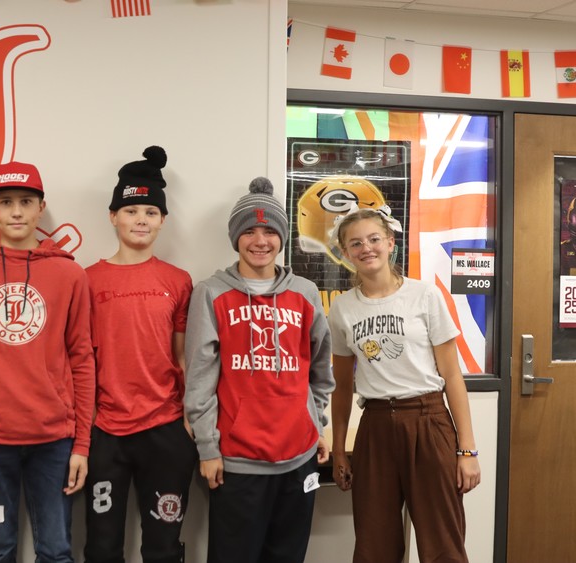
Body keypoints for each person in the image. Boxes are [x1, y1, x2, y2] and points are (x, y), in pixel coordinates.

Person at [0, 161, 95, 563]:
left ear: (40, 208)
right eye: (6, 202)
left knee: (56, 550)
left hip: (55, 441)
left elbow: (82, 358)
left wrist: (81, 444)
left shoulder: (69, 275)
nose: (16, 211)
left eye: (26, 202)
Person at [185, 177, 334, 563]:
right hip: (237, 461)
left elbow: (320, 368)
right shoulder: (212, 292)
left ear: (282, 237)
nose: (260, 240)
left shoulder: (304, 292)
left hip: (298, 459)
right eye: (249, 231)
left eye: (270, 231)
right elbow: (199, 377)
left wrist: (316, 424)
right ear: (236, 237)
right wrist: (207, 447)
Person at [327, 206, 480, 563]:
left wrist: (467, 450)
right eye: (355, 243)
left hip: (428, 420)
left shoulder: (424, 296)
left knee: (441, 539)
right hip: (376, 425)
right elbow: (342, 385)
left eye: (374, 239)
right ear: (346, 252)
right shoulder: (342, 309)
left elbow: (452, 375)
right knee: (373, 542)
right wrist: (338, 449)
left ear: (391, 242)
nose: (366, 248)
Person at [83, 146, 197, 563]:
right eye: (131, 211)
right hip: (106, 430)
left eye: (150, 212)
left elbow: (183, 357)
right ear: (113, 216)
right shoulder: (87, 281)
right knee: (102, 544)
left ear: (163, 220)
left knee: (163, 547)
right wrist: (87, 420)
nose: (141, 220)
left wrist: (188, 417)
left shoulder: (179, 281)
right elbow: (79, 361)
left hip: (165, 429)